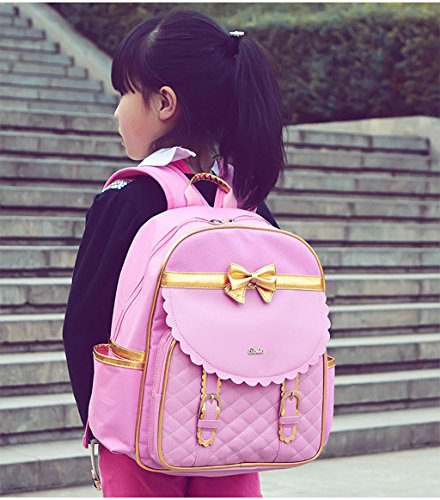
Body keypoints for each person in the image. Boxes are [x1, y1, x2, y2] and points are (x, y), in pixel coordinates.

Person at [63, 8, 286, 497]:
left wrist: (101, 425)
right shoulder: (245, 199)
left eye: (124, 94)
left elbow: (84, 324)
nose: (117, 111)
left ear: (164, 102)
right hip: (234, 422)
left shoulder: (128, 198)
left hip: (142, 432)